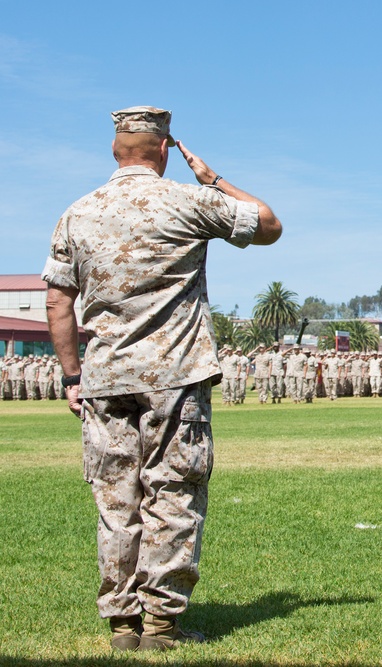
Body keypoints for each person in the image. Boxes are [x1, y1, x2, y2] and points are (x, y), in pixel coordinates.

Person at [42, 106, 281, 651]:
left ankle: (123, 624)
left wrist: (72, 377)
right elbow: (267, 224)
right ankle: (161, 625)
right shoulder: (189, 201)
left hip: (103, 378)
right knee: (171, 494)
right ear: (166, 149)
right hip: (174, 377)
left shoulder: (77, 213)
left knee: (116, 500)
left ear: (115, 149)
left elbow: (58, 300)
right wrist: (212, 178)